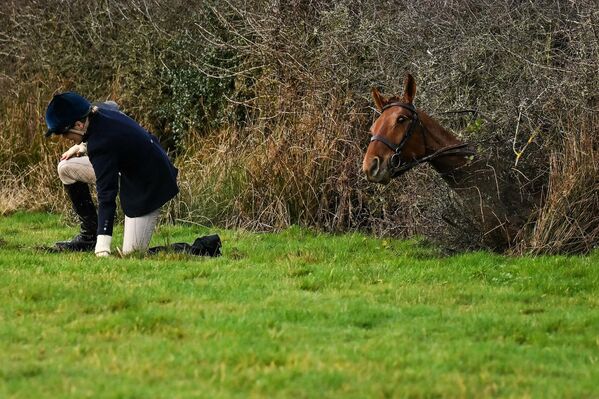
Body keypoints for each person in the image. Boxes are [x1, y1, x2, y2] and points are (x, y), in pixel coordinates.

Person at [45, 92, 179, 257]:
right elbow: (112, 108)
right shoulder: (96, 111)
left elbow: (107, 194)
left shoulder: (101, 145)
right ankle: (88, 238)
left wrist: (103, 246)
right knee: (65, 168)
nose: (64, 138)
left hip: (149, 181)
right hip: (126, 167)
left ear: (79, 125)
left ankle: (203, 247)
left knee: (132, 253)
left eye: (64, 133)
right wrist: (82, 146)